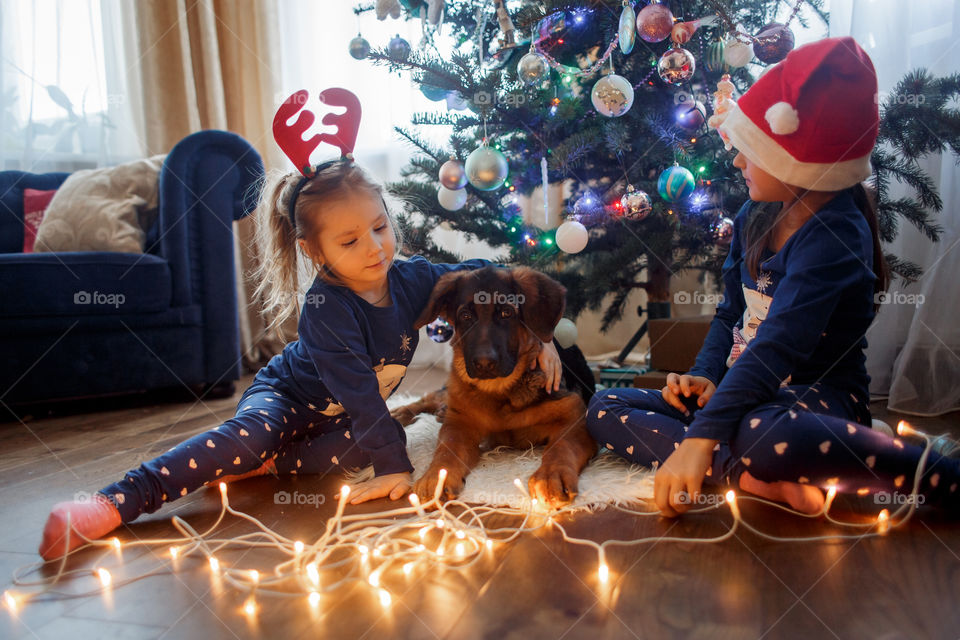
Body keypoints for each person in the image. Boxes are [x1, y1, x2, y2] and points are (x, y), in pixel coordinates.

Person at [38, 158, 562, 559]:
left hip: (335, 421)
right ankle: (120, 498)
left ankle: (263, 462)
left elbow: (481, 276)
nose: (376, 248)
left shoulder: (411, 278)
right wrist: (395, 469)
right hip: (287, 398)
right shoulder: (326, 310)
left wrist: (542, 334)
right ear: (315, 251)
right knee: (268, 435)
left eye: (380, 227)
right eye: (351, 240)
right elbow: (359, 394)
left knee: (371, 439)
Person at [587, 37, 959, 517]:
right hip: (738, 391)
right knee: (603, 407)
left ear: (797, 160)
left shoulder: (835, 235)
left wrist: (701, 438)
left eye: (751, 150)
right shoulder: (753, 214)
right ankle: (753, 475)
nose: (737, 161)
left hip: (812, 400)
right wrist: (703, 377)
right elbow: (730, 314)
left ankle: (925, 469)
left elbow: (777, 348)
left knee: (764, 434)